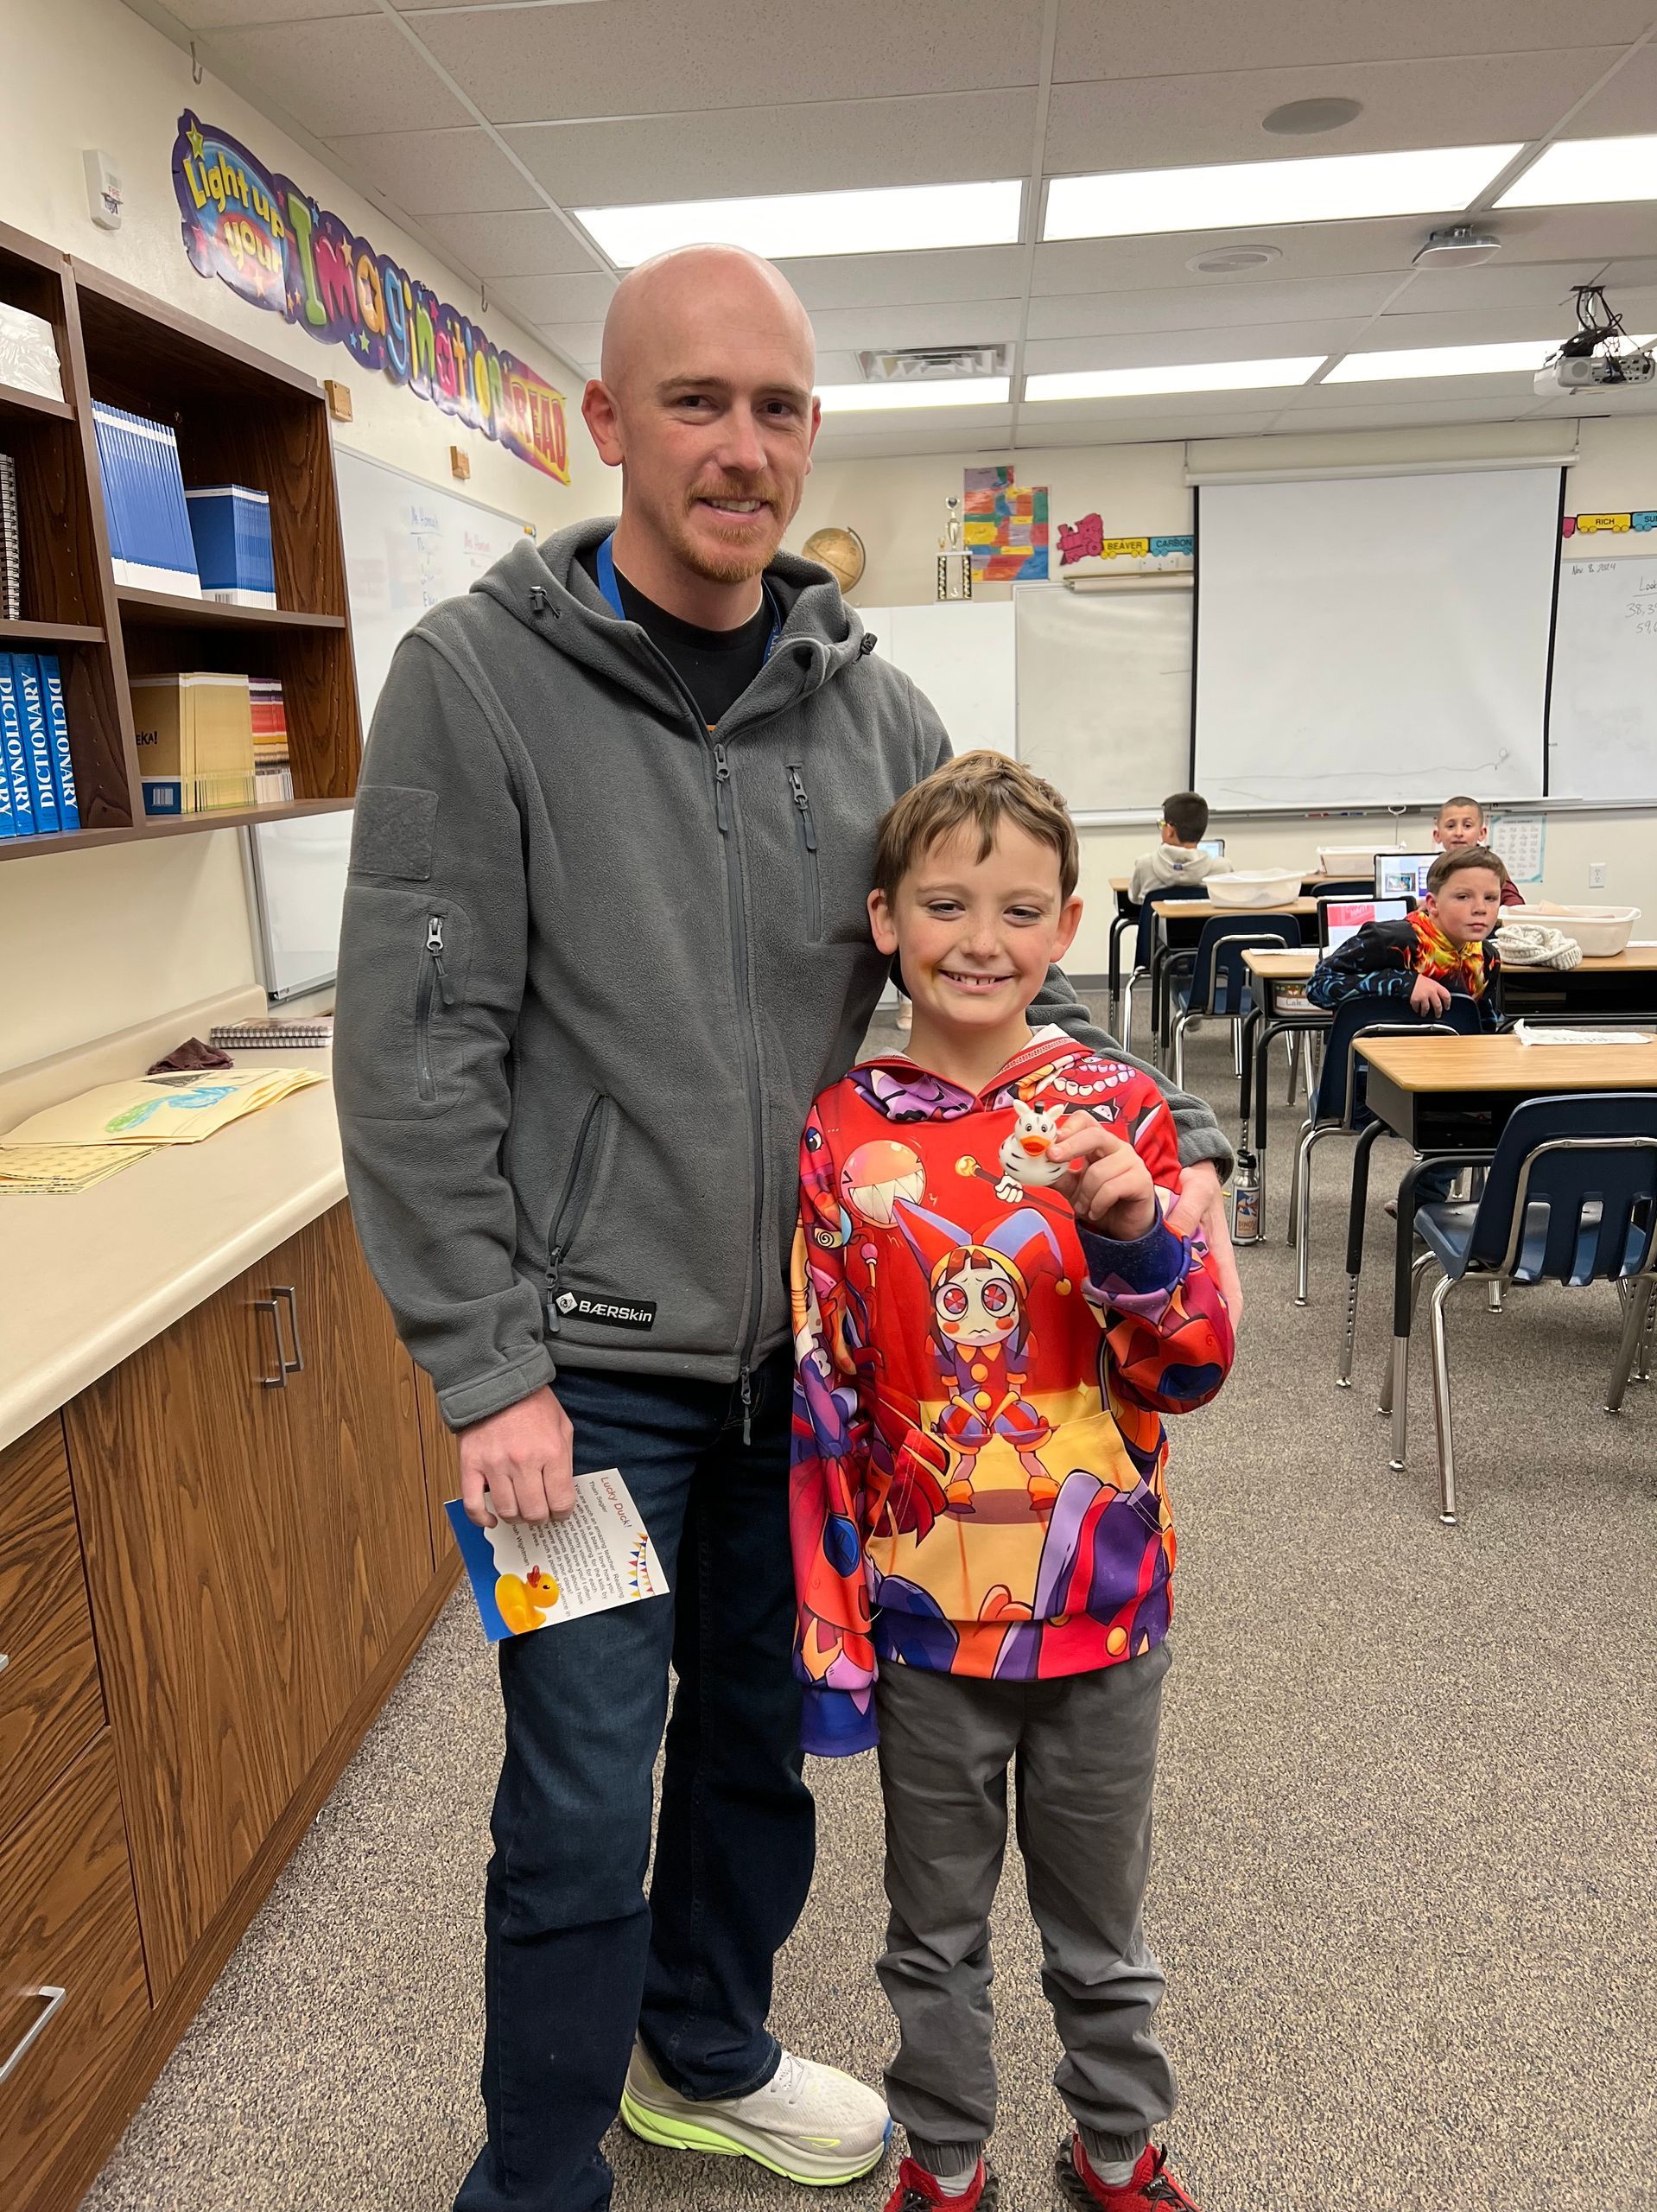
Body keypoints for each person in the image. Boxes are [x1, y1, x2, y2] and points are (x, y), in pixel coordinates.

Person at [333, 243, 1239, 2212]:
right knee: (578, 1783)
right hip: (574, 1382)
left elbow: (971, 982)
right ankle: (540, 2168)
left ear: (810, 428)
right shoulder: (478, 684)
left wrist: (1107, 1148)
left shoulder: (878, 707)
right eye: (695, 401)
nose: (741, 446)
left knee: (762, 1742)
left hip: (817, 1384)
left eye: (777, 406)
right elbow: (415, 1058)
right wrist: (487, 1369)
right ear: (607, 425)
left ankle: (704, 2049)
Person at [791, 751, 1235, 2212]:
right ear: (884, 919)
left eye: (1019, 908)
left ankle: (1118, 2146)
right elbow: (824, 1392)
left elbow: (1190, 1368)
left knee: (1100, 1926)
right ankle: (947, 2154)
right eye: (945, 903)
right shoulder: (842, 1139)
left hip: (1104, 1607)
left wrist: (1132, 1231)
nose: (980, 937)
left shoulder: (1121, 1110)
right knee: (932, 1928)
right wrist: (831, 1621)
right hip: (926, 1616)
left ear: (1066, 927)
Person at [1306, 845, 1505, 1028]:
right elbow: (1318, 986)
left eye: (1491, 898)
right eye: (1463, 897)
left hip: (1453, 1059)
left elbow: (1481, 1021)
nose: (1480, 909)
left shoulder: (1487, 958)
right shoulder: (1393, 941)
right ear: (1432, 904)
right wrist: (1403, 982)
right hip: (1377, 1061)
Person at [1127, 791, 1220, 906]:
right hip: (1204, 924)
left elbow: (1134, 899)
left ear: (1170, 830)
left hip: (1158, 924)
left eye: (1162, 824)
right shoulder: (1221, 869)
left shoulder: (1145, 864)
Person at [1432, 795, 1523, 904]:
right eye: (1451, 826)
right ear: (1437, 835)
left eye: (1467, 826)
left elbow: (1514, 903)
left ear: (1482, 833)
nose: (1459, 833)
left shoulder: (1489, 865)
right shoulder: (1438, 866)